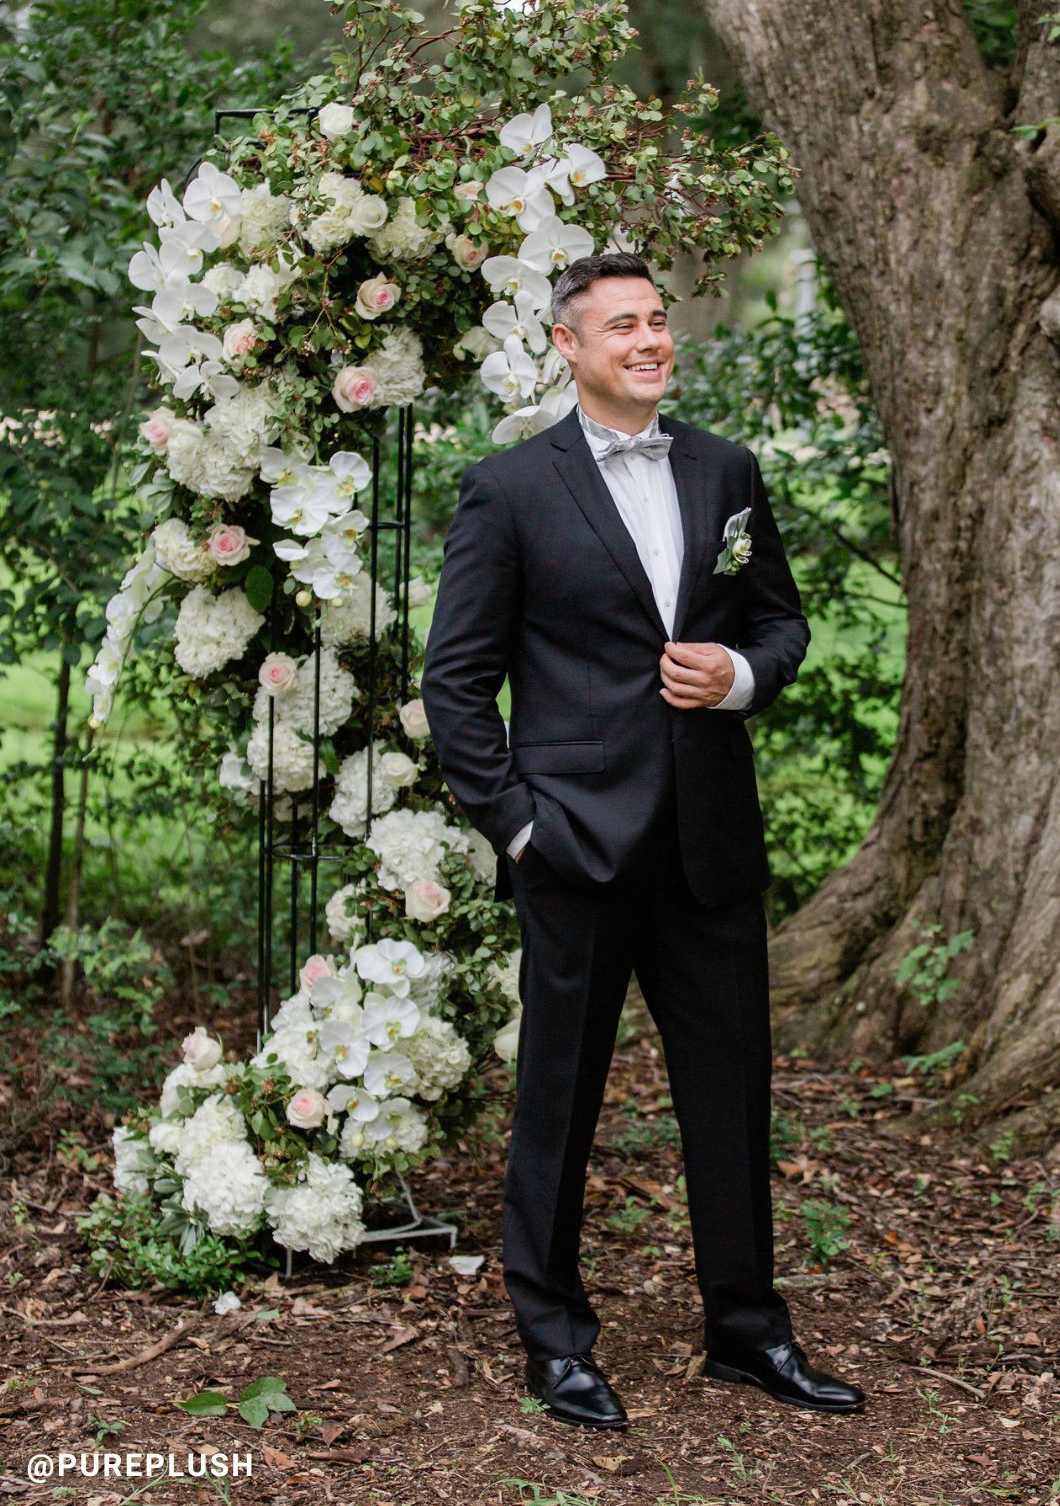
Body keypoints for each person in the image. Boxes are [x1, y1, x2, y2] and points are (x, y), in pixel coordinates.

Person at [420, 253, 866, 1430]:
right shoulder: (509, 489)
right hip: (573, 845)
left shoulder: (724, 471)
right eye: (622, 323)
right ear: (568, 346)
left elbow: (778, 620)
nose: (649, 338)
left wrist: (737, 676)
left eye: (658, 320)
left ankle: (744, 1329)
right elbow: (455, 686)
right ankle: (554, 1340)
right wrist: (518, 829)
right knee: (558, 1101)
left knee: (729, 1093)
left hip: (709, 841)